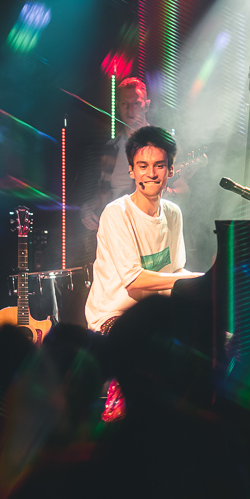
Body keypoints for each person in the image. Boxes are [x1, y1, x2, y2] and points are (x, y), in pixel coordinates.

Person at [85, 126, 202, 418]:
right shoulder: (116, 213)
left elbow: (175, 270)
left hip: (154, 313)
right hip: (112, 318)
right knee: (150, 349)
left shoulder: (173, 213)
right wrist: (196, 280)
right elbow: (134, 281)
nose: (151, 173)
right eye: (143, 166)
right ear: (132, 171)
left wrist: (201, 284)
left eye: (159, 166)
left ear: (170, 170)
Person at [80, 77, 151, 235]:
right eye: (124, 104)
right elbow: (102, 193)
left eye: (136, 103)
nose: (130, 110)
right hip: (115, 233)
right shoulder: (111, 147)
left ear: (146, 105)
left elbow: (182, 188)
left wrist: (166, 193)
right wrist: (88, 209)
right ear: (118, 107)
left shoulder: (161, 145)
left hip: (148, 233)